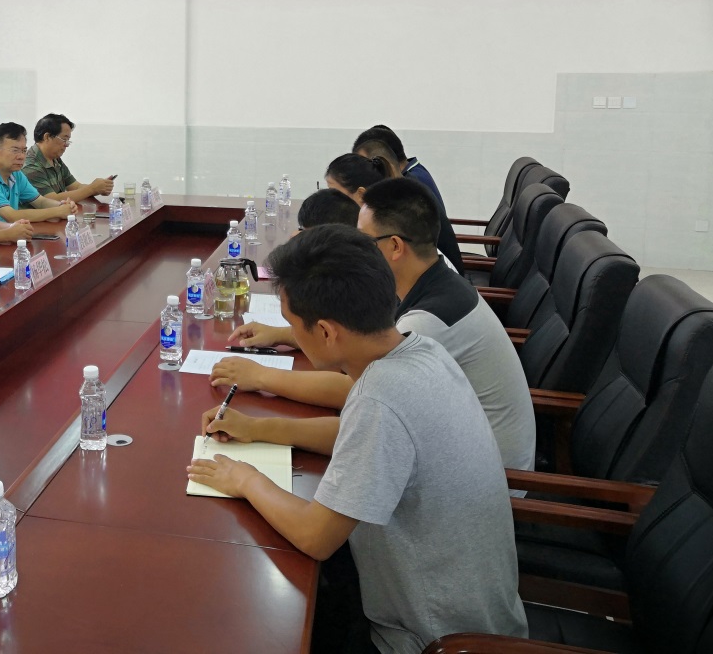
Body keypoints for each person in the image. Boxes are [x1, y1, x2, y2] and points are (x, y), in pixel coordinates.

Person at [188, 226, 527, 654]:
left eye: (292, 324)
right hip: (476, 614)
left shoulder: (381, 398)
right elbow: (359, 437)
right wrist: (257, 429)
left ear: (326, 333)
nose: (291, 332)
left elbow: (316, 536)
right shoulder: (419, 349)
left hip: (433, 639)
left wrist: (244, 479)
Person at [227, 180, 533, 470]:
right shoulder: (432, 276)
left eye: (364, 239)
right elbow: (360, 341)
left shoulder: (426, 324)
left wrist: (262, 378)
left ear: (395, 246)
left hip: (491, 476)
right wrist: (287, 333)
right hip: (450, 456)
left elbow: (355, 392)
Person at [326, 152, 465, 274]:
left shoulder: (388, 226)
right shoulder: (383, 219)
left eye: (334, 194)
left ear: (361, 195)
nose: (328, 200)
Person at [0, 122, 78, 224]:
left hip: (4, 234)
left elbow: (40, 202)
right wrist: (58, 211)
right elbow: (12, 216)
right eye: (15, 150)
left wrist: (63, 206)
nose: (21, 156)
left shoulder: (15, 173)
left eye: (24, 150)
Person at [22, 113, 114, 203]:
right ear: (47, 137)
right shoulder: (30, 164)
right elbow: (51, 200)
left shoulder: (55, 159)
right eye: (64, 139)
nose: (67, 145)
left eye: (68, 140)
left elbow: (76, 187)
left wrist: (99, 188)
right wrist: (92, 188)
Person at [353, 124, 446, 212]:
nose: (364, 171)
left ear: (384, 156)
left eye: (367, 164)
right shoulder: (415, 172)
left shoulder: (411, 185)